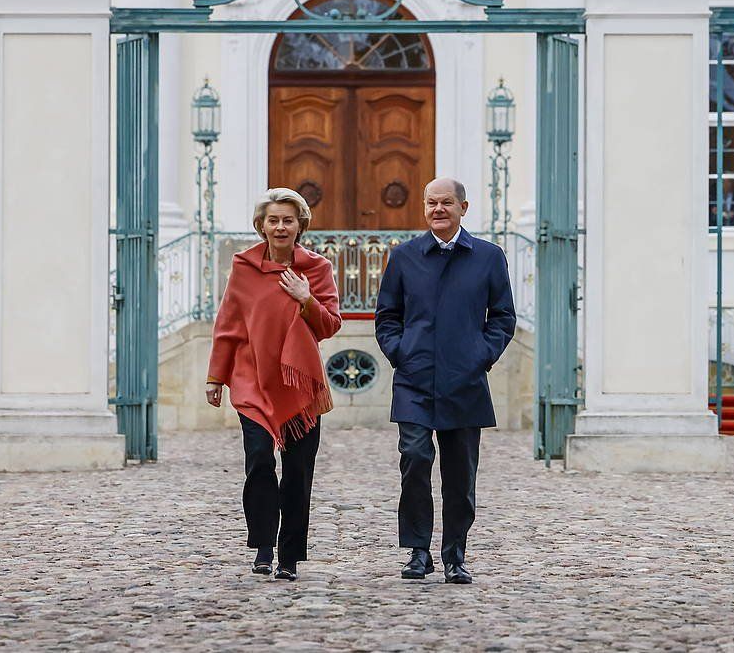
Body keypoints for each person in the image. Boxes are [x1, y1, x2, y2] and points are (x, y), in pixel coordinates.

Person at [374, 177, 516, 584]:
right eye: (431, 203)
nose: (438, 209)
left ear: (463, 208)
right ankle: (418, 552)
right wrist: (400, 352)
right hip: (414, 380)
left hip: (465, 381)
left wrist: (481, 356)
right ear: (424, 208)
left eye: (447, 203)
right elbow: (388, 316)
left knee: (460, 474)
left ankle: (455, 554)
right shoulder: (404, 257)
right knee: (415, 461)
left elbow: (503, 317)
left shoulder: (489, 257)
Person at [205, 187, 342, 582]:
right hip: (252, 381)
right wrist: (217, 377)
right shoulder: (244, 267)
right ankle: (264, 544)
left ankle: (289, 557)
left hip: (299, 386)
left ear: (301, 226)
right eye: (273, 220)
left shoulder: (317, 268)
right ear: (261, 226)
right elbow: (228, 326)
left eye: (288, 220)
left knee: (298, 472)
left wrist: (306, 298)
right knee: (260, 461)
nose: (280, 227)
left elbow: (329, 325)